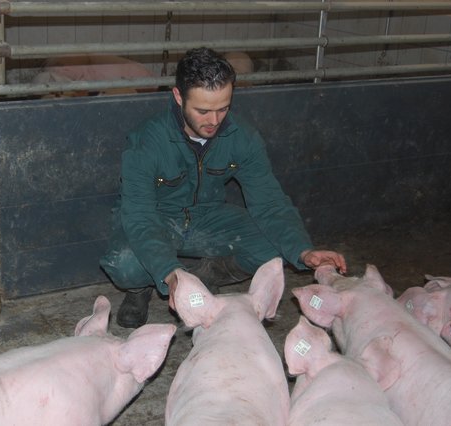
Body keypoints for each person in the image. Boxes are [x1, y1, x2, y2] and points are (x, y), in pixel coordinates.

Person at [100, 47, 346, 328]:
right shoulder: (147, 141)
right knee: (124, 264)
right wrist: (170, 273)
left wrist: (304, 251)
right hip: (158, 219)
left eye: (223, 108)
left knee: (274, 249)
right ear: (179, 97)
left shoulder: (242, 137)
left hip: (207, 217)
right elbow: (140, 215)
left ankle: (207, 275)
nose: (214, 121)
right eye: (203, 110)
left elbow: (269, 202)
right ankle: (140, 290)